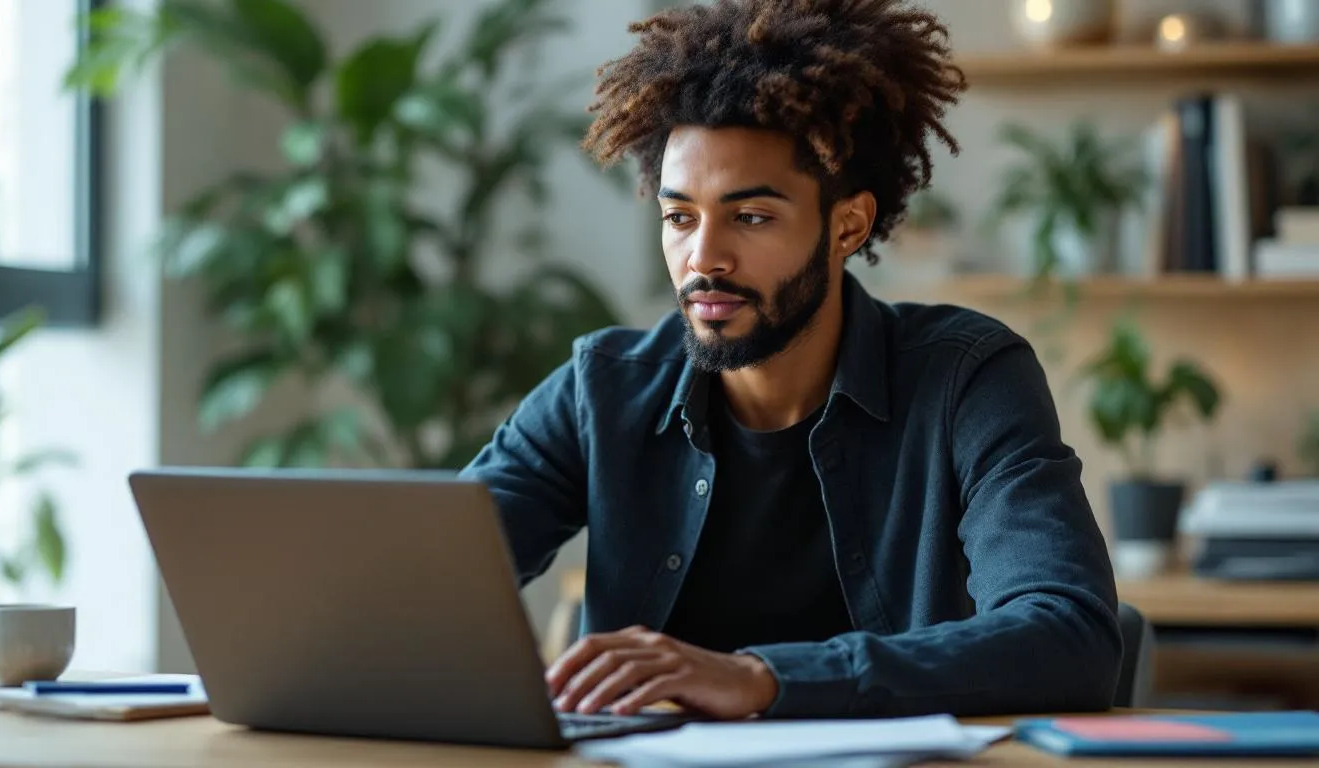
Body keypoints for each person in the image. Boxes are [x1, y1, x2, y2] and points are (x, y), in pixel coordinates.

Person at [459, 0, 1122, 721]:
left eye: (750, 217)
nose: (702, 258)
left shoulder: (966, 379)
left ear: (847, 225)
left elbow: (1069, 636)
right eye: (680, 217)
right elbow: (421, 581)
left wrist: (762, 678)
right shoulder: (604, 389)